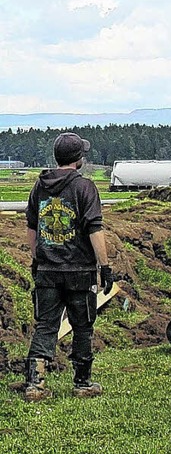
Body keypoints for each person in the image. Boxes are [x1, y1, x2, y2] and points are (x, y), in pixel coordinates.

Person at [24, 132, 114, 402]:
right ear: (79, 159)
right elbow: (94, 230)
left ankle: (35, 384)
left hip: (47, 271)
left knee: (46, 325)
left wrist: (37, 259)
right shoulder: (85, 187)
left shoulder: (39, 186)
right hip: (80, 272)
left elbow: (32, 227)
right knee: (83, 325)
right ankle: (82, 383)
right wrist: (105, 267)